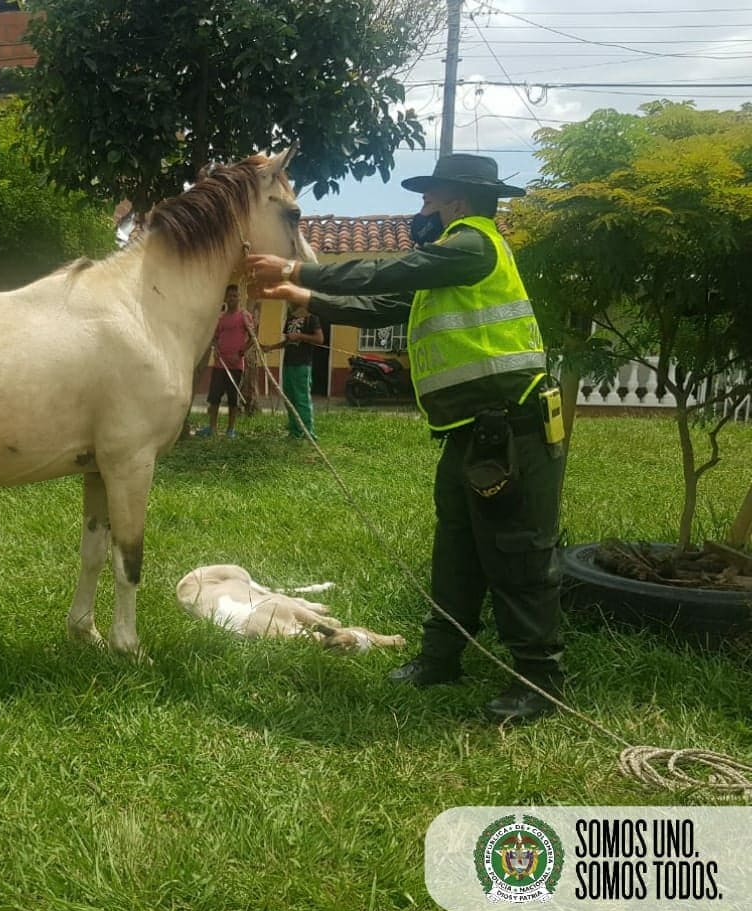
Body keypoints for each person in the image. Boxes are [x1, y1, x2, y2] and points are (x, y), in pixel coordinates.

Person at [245, 153, 565, 722]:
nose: (421, 210)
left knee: (516, 551)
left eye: (427, 199)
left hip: (513, 428)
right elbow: (384, 302)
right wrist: (306, 300)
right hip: (474, 432)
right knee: (458, 549)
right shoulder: (450, 267)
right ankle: (440, 659)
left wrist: (299, 271)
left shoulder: (473, 244)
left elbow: (391, 273)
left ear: (456, 201)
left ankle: (539, 680)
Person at [198, 284, 255, 439]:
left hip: (236, 365)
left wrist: (242, 351)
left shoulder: (244, 316)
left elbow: (252, 337)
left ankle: (231, 430)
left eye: (234, 296)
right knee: (214, 396)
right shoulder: (221, 318)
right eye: (229, 296)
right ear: (225, 298)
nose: (232, 299)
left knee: (232, 399)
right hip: (219, 364)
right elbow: (215, 338)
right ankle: (212, 428)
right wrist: (215, 347)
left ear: (239, 298)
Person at [261, 303, 324, 440]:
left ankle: (307, 432)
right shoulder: (290, 318)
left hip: (302, 364)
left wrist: (300, 336)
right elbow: (288, 341)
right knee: (289, 398)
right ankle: (295, 431)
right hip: (288, 364)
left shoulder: (312, 318)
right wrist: (271, 347)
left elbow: (319, 339)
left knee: (301, 399)